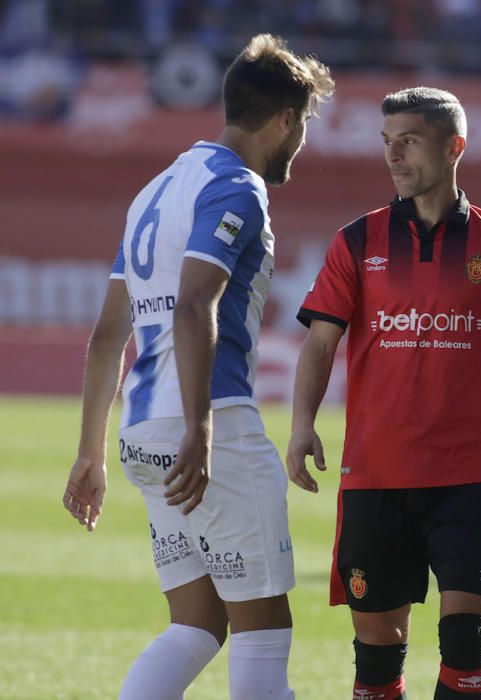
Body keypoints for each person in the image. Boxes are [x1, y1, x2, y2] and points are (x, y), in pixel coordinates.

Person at [61, 34, 334, 699]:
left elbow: (107, 335)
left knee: (195, 625)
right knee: (263, 632)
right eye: (302, 125)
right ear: (284, 120)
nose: (300, 142)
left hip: (141, 434)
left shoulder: (154, 191)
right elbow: (193, 305)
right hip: (209, 429)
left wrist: (91, 453)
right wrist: (201, 429)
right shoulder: (237, 188)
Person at [287, 87, 481, 700]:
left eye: (408, 141)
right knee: (377, 663)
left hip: (469, 477)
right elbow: (321, 344)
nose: (394, 155)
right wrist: (302, 425)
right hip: (376, 476)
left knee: (465, 654)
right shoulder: (358, 241)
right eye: (387, 142)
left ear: (454, 146)